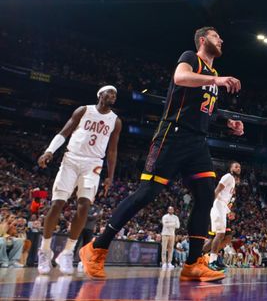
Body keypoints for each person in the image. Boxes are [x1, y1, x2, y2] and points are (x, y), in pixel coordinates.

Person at [80, 27, 244, 282]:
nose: (221, 39)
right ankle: (96, 248)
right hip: (173, 135)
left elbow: (204, 109)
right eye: (215, 36)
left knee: (205, 195)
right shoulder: (191, 57)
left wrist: (227, 123)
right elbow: (180, 77)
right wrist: (217, 80)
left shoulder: (210, 75)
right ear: (203, 40)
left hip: (197, 142)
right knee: (147, 193)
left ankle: (192, 264)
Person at [36, 86, 122, 274]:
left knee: (84, 205)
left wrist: (110, 176)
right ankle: (44, 249)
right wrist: (49, 150)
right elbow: (64, 132)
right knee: (57, 203)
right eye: (110, 93)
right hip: (72, 159)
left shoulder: (115, 121)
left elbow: (113, 150)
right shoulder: (83, 110)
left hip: (93, 164)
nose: (113, 96)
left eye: (115, 94)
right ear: (100, 95)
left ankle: (67, 252)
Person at [205, 162, 240, 271]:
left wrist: (229, 211)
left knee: (226, 236)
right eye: (236, 166)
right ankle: (211, 260)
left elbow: (227, 200)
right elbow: (217, 190)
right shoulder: (228, 176)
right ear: (230, 168)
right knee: (219, 234)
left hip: (223, 207)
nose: (238, 168)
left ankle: (210, 256)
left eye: (239, 167)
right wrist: (210, 205)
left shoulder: (233, 182)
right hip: (217, 205)